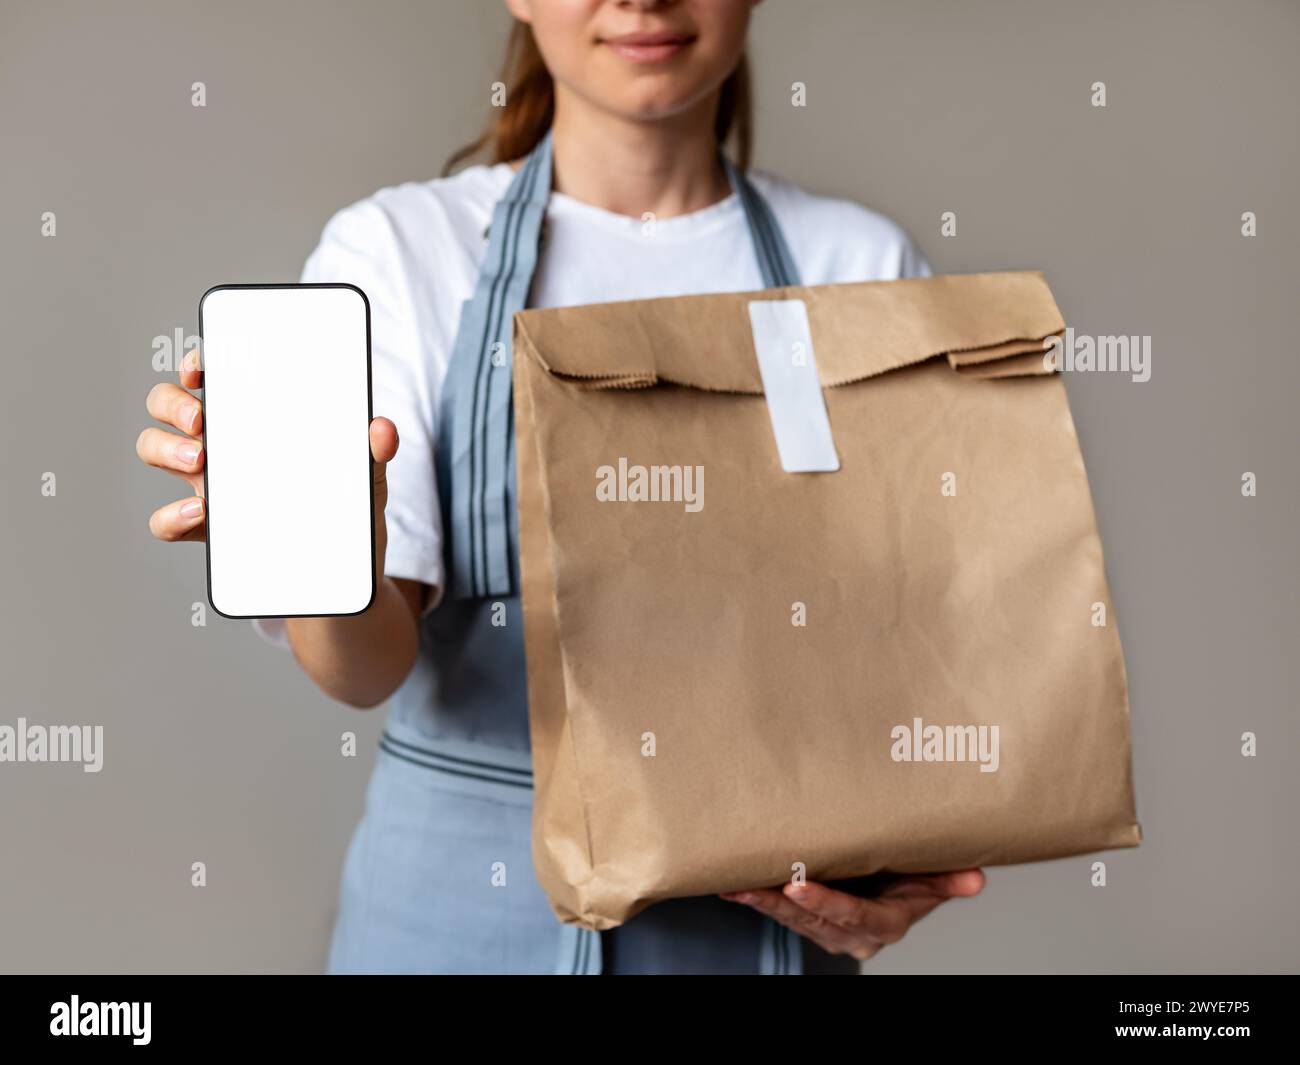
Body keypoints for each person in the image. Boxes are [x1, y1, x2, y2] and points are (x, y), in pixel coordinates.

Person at [137, 0, 984, 974]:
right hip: (452, 934)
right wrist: (342, 550)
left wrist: (889, 881)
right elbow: (364, 671)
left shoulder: (862, 269)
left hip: (755, 941)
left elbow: (909, 664)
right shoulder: (403, 251)